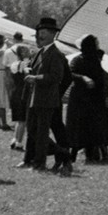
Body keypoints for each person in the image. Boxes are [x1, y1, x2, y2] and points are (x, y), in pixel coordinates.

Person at [19, 17, 72, 174]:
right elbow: (33, 68)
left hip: (47, 99)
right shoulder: (40, 52)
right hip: (35, 98)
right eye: (39, 33)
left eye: (42, 33)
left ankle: (40, 163)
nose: (39, 36)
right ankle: (57, 154)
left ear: (51, 34)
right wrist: (28, 70)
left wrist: (36, 78)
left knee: (41, 133)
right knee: (33, 131)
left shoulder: (55, 54)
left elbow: (56, 77)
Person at [67, 35, 108, 163]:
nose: (98, 45)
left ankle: (102, 155)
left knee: (98, 126)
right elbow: (71, 73)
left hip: (95, 97)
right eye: (96, 43)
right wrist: (83, 77)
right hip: (80, 98)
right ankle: (74, 155)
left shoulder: (96, 58)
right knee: (79, 127)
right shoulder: (77, 59)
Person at [7, 32, 31, 150]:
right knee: (23, 120)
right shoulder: (24, 65)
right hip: (23, 92)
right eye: (27, 51)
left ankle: (15, 139)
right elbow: (27, 73)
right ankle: (19, 143)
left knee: (18, 119)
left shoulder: (14, 64)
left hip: (15, 92)